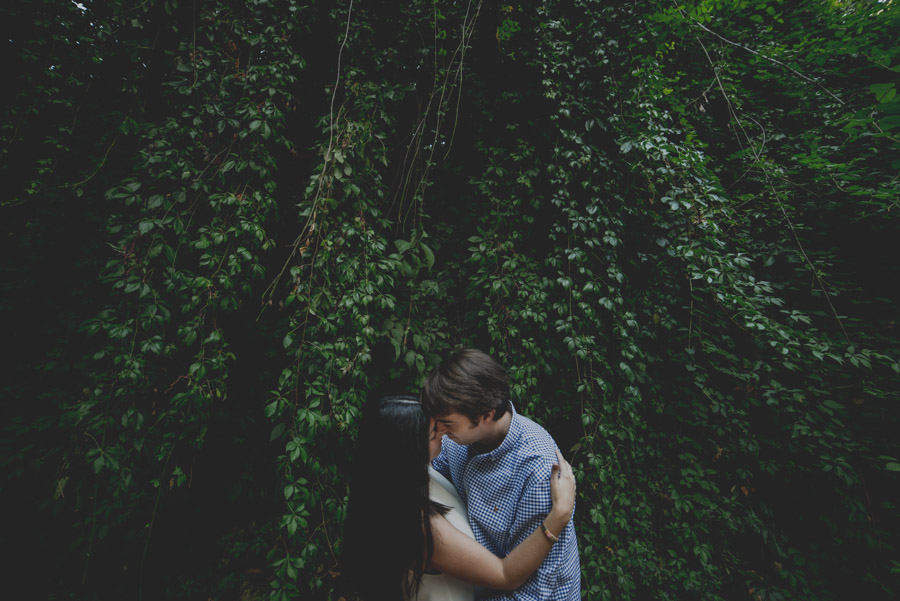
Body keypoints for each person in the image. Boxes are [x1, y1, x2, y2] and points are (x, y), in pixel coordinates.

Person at [344, 395, 576, 601]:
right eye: (434, 433)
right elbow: (506, 575)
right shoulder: (423, 527)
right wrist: (558, 516)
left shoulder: (404, 479)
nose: (444, 433)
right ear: (408, 449)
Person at [423, 349, 581, 601]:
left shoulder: (537, 470)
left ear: (485, 415)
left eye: (447, 422)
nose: (438, 429)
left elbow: (535, 590)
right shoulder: (456, 439)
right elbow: (430, 473)